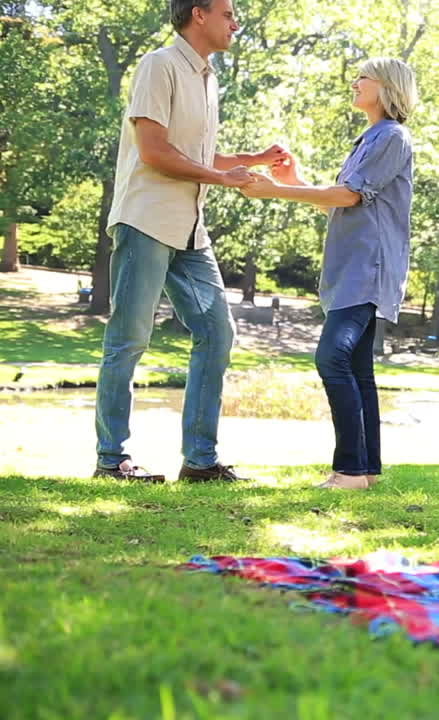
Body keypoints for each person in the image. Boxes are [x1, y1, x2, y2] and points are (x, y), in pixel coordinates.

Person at [94, 0, 286, 483]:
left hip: (189, 230)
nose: (236, 23)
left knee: (217, 332)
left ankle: (200, 462)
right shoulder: (159, 66)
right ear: (198, 14)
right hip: (146, 221)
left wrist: (253, 159)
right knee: (129, 339)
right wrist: (225, 180)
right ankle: (110, 459)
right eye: (229, 14)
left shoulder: (207, 77)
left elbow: (198, 154)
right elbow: (155, 152)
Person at [240, 57, 417, 490]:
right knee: (357, 370)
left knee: (331, 358)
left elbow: (350, 196)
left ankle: (350, 471)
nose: (354, 82)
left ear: (386, 86)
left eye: (363, 77)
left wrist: (279, 190)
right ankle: (366, 471)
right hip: (353, 270)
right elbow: (339, 200)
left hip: (366, 269)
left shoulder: (391, 135)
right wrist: (295, 178)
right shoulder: (371, 138)